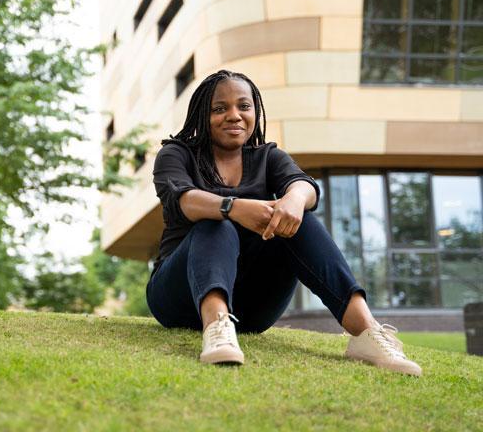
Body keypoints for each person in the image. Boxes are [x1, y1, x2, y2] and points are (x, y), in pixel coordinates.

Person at [146, 69, 422, 376]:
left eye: (243, 106)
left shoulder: (267, 157)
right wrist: (232, 207)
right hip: (178, 298)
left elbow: (305, 187)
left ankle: (366, 333)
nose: (234, 116)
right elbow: (183, 199)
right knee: (216, 222)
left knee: (299, 219)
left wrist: (293, 200)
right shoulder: (176, 154)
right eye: (219, 109)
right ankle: (216, 328)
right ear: (202, 115)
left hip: (252, 309)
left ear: (256, 111)